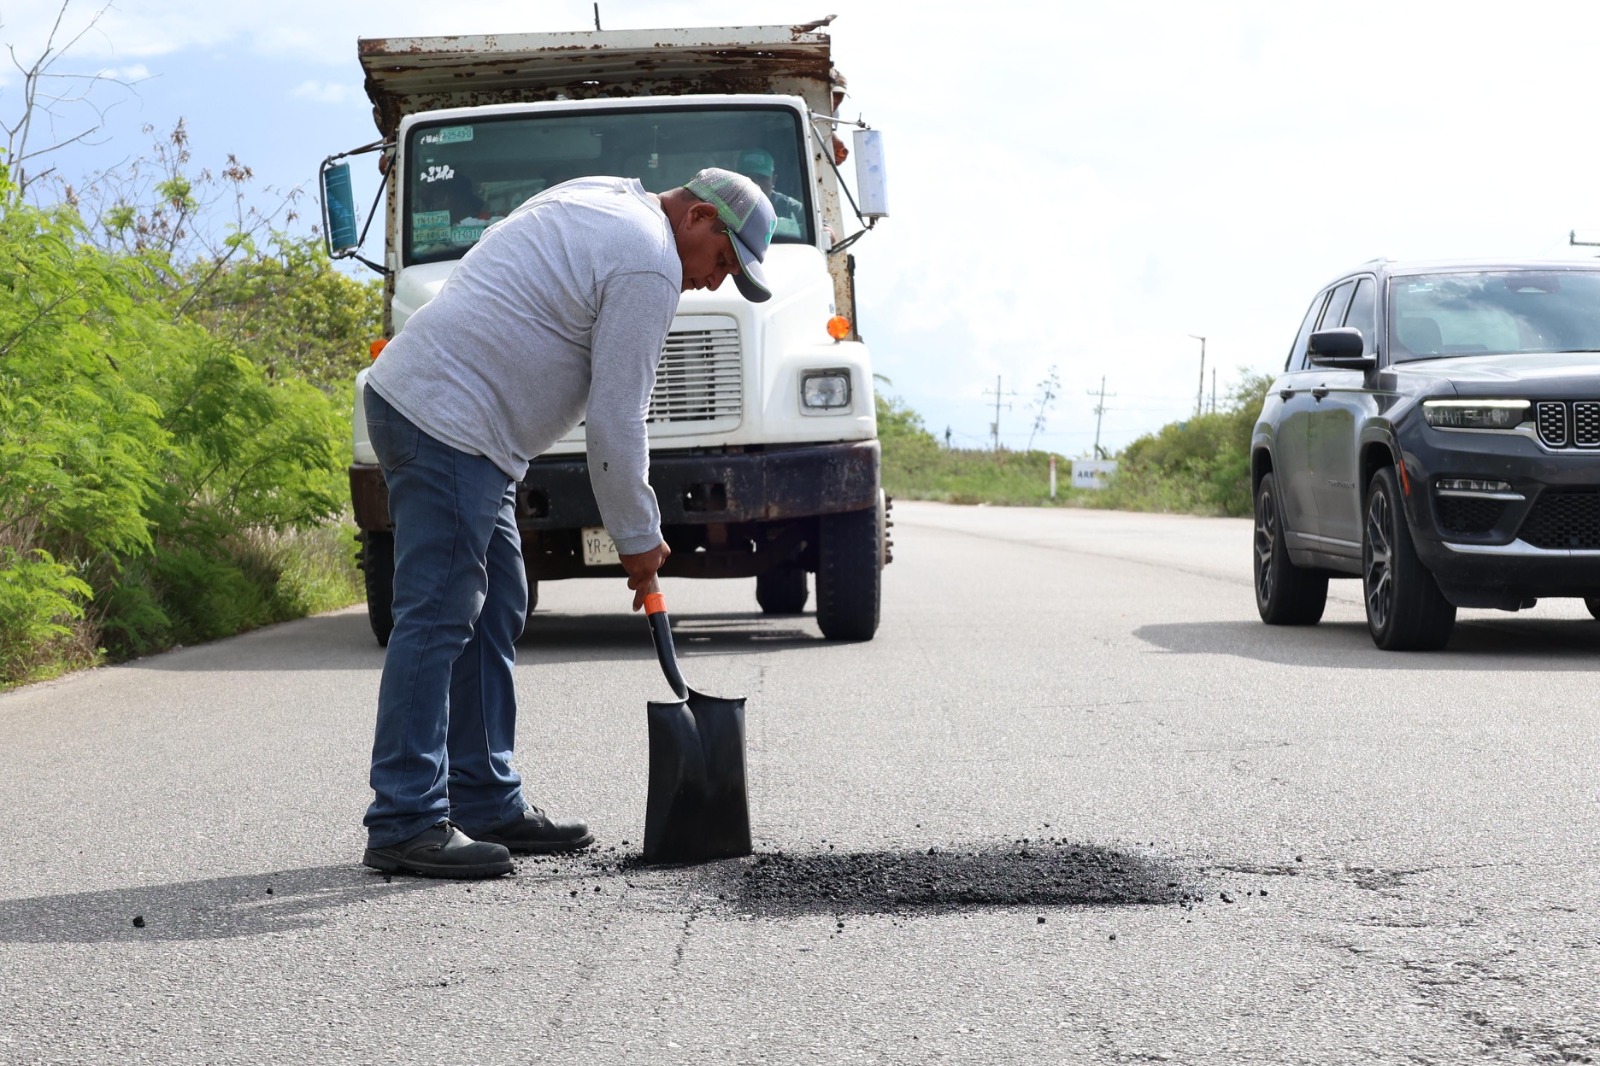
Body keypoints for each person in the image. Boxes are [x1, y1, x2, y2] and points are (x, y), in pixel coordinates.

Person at [359, 168, 776, 879]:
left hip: (459, 424)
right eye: (723, 263)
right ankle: (404, 819)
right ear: (700, 218)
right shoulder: (649, 261)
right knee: (439, 611)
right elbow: (617, 423)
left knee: (494, 609)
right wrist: (640, 541)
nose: (712, 283)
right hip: (447, 419)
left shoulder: (606, 196)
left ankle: (485, 798)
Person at [736, 149, 804, 238]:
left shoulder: (793, 209)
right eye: (749, 178)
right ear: (737, 180)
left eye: (762, 178)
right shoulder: (727, 209)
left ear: (773, 180)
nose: (756, 184)